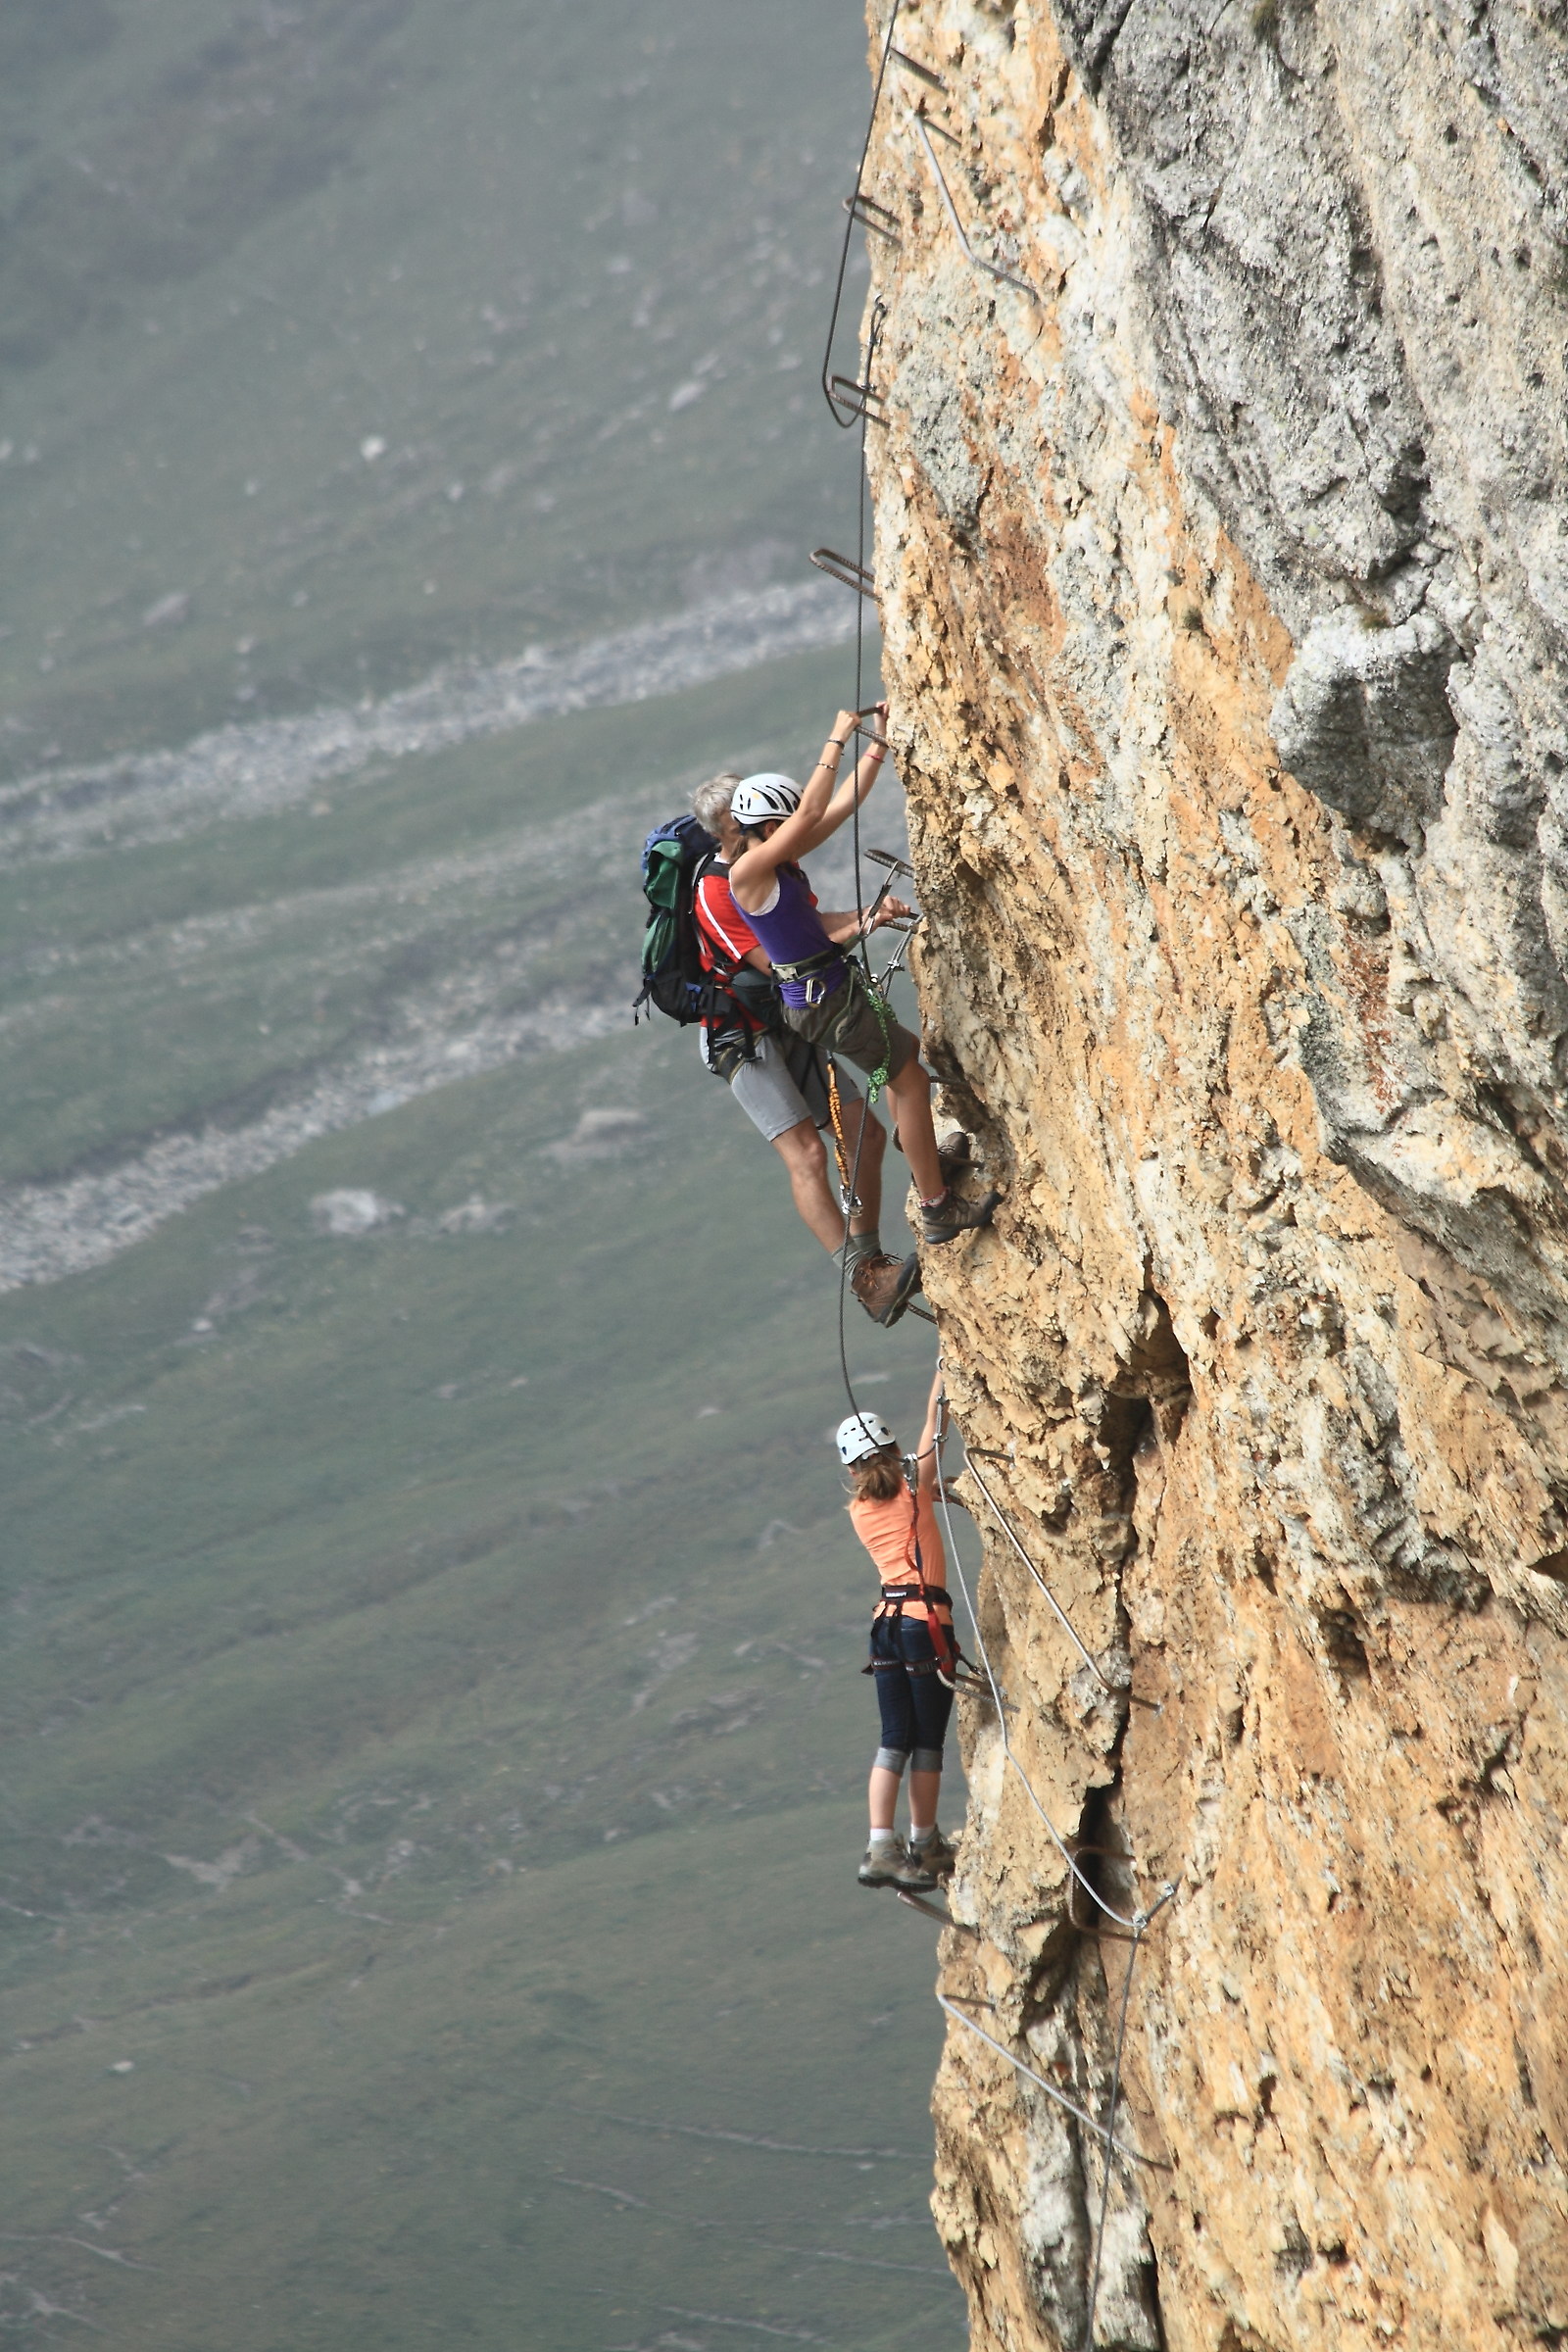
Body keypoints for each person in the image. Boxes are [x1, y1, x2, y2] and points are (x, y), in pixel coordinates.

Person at [725, 710, 998, 1317]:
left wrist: (877, 750)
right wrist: (839, 736)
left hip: (830, 996)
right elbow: (811, 815)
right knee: (910, 1080)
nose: (791, 831)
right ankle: (935, 1205)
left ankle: (929, 1170)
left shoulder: (779, 868)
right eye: (781, 824)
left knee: (908, 1075)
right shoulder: (747, 872)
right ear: (763, 826)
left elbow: (835, 814)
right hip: (827, 1006)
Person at [688, 756, 920, 1325]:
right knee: (809, 1153)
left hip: (788, 1021)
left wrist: (862, 918)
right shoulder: (722, 891)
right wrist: (857, 929)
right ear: (727, 829)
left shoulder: (771, 867)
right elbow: (778, 962)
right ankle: (862, 1276)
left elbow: (809, 917)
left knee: (863, 1132)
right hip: (740, 1038)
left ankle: (873, 1263)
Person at [840, 1365, 959, 1890]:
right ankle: (925, 1842)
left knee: (894, 1740)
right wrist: (944, 1371)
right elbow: (936, 1427)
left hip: (885, 1627)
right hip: (926, 1624)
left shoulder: (859, 1509)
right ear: (890, 1449)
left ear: (851, 1471)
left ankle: (880, 1846)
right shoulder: (916, 1490)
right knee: (928, 1740)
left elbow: (911, 1476)